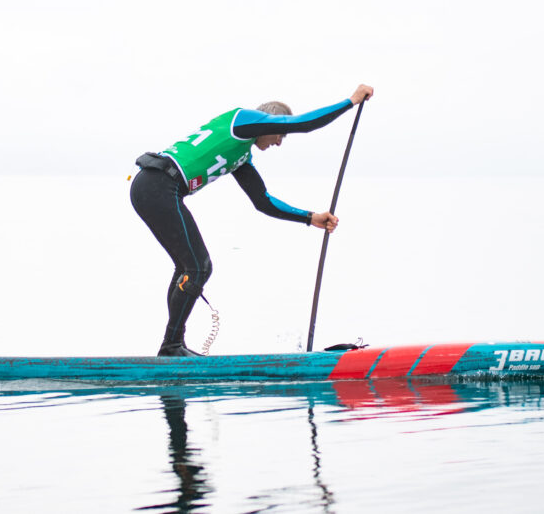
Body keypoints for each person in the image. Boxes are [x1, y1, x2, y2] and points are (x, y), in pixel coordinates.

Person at [131, 84, 375, 356]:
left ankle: (172, 346)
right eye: (280, 133)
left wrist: (310, 218)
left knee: (190, 267)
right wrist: (350, 102)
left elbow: (264, 202)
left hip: (155, 188)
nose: (280, 142)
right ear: (268, 122)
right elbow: (304, 124)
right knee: (199, 267)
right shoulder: (243, 119)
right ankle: (172, 346)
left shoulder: (241, 154)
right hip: (157, 185)